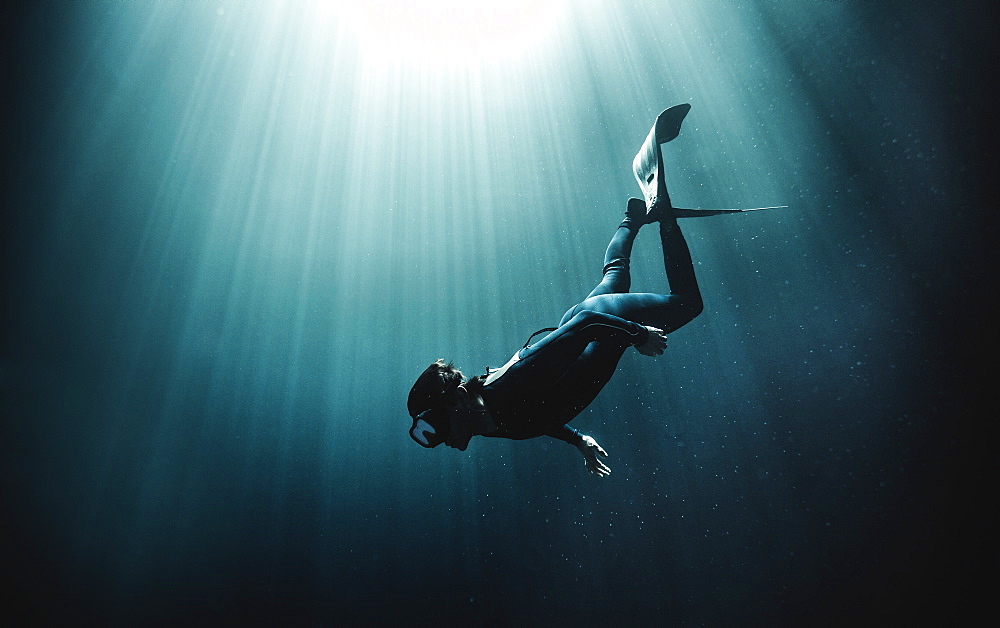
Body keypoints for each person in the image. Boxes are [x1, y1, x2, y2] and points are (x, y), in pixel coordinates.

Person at [406, 106, 704, 477]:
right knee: (617, 273)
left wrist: (637, 334)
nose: (439, 440)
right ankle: (632, 215)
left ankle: (663, 215)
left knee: (689, 305)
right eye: (430, 435)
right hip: (593, 322)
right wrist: (577, 439)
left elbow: (586, 325)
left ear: (460, 400)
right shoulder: (482, 421)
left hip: (601, 324)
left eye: (434, 427)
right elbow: (534, 418)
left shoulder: (507, 389)